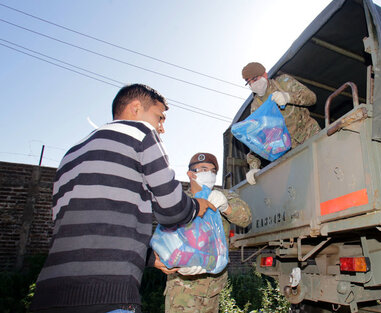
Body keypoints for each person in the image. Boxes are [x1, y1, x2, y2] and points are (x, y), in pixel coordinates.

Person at [30, 84, 215, 313]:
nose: (162, 128)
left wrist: (149, 256)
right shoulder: (140, 134)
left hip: (49, 294)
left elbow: (79, 224)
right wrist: (197, 206)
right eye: (159, 117)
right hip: (108, 293)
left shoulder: (71, 154)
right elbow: (172, 209)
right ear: (136, 108)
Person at [154, 152, 252, 313]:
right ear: (191, 174)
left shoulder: (223, 195)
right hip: (182, 289)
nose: (210, 174)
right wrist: (174, 263)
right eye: (204, 169)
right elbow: (163, 239)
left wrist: (225, 207)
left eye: (213, 171)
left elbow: (246, 218)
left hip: (213, 288)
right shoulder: (179, 201)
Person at [241, 62, 321, 184]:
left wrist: (288, 97)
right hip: (290, 153)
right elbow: (258, 140)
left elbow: (311, 97)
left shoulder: (283, 83)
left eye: (255, 79)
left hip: (311, 135)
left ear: (265, 75)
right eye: (249, 82)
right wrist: (253, 167)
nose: (253, 84)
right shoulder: (256, 108)